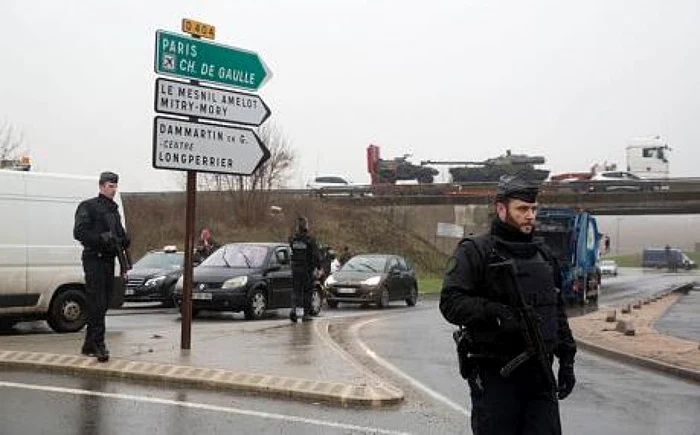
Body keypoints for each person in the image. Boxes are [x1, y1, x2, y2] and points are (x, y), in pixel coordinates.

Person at [440, 175, 577, 435]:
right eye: (522, 209)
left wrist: (567, 360)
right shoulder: (476, 251)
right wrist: (496, 314)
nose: (530, 216)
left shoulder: (543, 255)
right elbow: (451, 302)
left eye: (534, 209)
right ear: (501, 209)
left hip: (540, 374)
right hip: (496, 375)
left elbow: (555, 310)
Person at [73, 171, 130, 363]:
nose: (113, 190)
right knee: (97, 301)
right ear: (101, 186)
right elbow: (79, 232)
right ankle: (98, 343)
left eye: (115, 186)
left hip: (108, 260)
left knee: (104, 303)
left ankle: (89, 344)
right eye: (109, 186)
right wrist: (100, 239)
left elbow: (120, 234)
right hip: (93, 258)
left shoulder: (113, 210)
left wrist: (124, 240)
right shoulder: (88, 206)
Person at [289, 217, 320, 322]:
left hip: (295, 268)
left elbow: (291, 252)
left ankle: (293, 311)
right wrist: (319, 268)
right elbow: (315, 255)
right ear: (306, 226)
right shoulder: (310, 239)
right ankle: (306, 314)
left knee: (296, 291)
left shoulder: (292, 239)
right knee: (307, 291)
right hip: (307, 269)